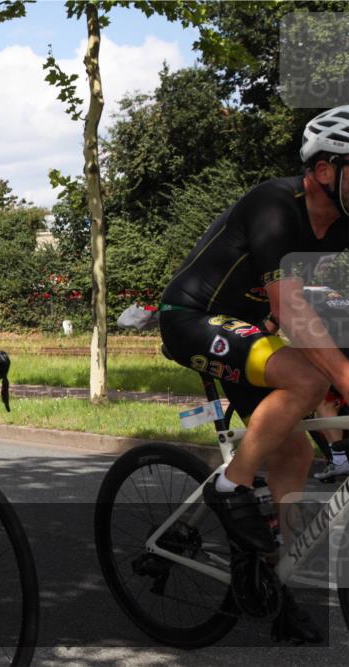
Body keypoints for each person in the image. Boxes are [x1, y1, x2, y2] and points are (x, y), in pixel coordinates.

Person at [159, 105, 349, 644]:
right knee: (309, 380)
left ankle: (278, 581)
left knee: (296, 453)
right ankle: (229, 483)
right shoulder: (275, 203)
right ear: (324, 171)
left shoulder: (341, 223)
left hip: (248, 334)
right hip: (190, 319)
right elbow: (291, 311)